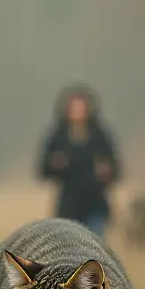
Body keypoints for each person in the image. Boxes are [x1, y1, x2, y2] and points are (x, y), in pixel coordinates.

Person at [37, 85, 120, 239]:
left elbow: (115, 169)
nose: (78, 112)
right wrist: (56, 165)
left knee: (94, 252)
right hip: (68, 207)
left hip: (95, 205)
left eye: (81, 108)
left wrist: (106, 171)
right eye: (74, 108)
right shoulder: (59, 136)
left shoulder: (100, 136)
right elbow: (43, 170)